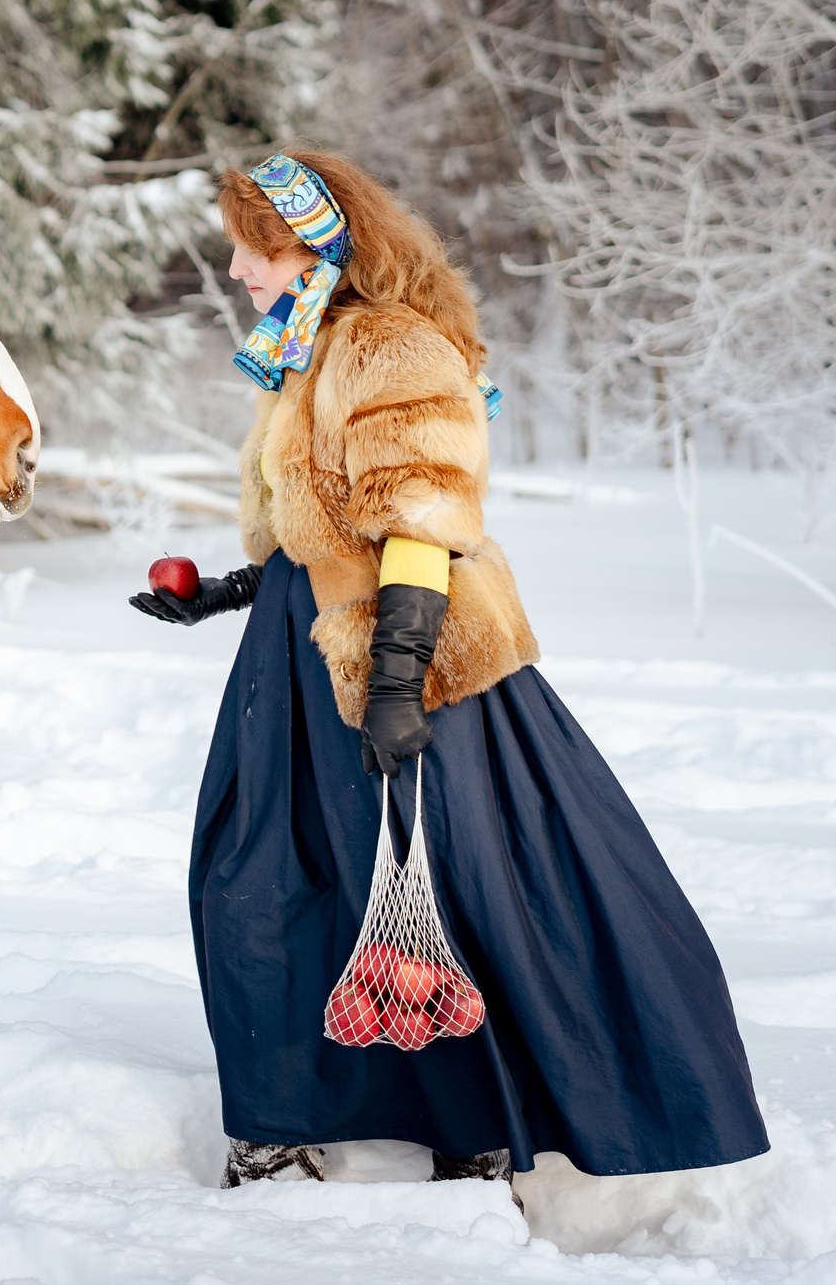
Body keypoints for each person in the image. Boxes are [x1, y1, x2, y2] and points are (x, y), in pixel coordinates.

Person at [134, 147, 768, 1200]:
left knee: (445, 887)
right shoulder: (308, 344)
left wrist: (395, 683)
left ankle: (472, 1126)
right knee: (270, 881)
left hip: (407, 650)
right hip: (303, 646)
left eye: (260, 248)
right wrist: (228, 591)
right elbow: (328, 525)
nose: (241, 271)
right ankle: (289, 1114)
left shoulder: (388, 346)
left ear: (319, 246)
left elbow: (422, 524)